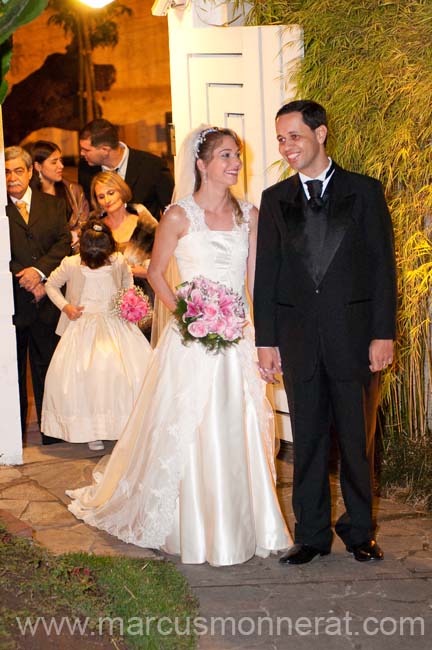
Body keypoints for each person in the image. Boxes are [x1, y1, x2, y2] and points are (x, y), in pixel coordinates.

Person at [66, 125, 291, 566]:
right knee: (191, 424)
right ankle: (192, 522)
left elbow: (254, 283)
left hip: (236, 338)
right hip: (192, 339)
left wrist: (264, 338)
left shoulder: (251, 214)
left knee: (239, 422)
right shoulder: (177, 215)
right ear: (202, 164)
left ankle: (249, 522)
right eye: (225, 156)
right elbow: (155, 272)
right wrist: (187, 314)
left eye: (237, 156)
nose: (235, 164)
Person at [253, 100, 397, 565]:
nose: (286, 146)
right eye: (280, 138)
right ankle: (310, 535)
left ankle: (359, 532)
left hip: (355, 339)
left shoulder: (366, 191)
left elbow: (381, 269)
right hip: (298, 342)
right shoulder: (275, 200)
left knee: (358, 441)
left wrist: (383, 333)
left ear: (321, 134)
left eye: (294, 136)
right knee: (308, 442)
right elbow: (267, 277)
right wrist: (266, 340)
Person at [41, 220, 152, 451]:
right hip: (83, 324)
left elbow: (127, 282)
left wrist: (129, 301)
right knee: (87, 376)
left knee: (120, 374)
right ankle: (92, 429)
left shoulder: (118, 260)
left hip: (115, 322)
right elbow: (51, 285)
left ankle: (123, 425)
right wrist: (66, 306)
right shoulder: (70, 263)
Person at [5, 145, 71, 444]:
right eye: (6, 172)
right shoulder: (2, 209)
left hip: (47, 300)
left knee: (48, 367)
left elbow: (62, 243)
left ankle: (51, 434)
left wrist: (40, 273)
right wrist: (25, 275)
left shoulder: (53, 205)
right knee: (13, 373)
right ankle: (12, 437)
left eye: (18, 170)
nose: (12, 177)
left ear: (31, 172)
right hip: (13, 302)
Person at [90, 170, 158, 339]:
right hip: (105, 303)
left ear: (121, 191)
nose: (107, 200)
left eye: (111, 193)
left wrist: (142, 271)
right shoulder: (95, 229)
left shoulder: (145, 223)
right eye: (101, 196)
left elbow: (166, 262)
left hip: (145, 302)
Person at [78, 118, 174, 220]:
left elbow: (171, 211)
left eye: (86, 150)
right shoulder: (85, 168)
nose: (82, 153)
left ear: (105, 150)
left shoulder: (153, 166)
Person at [29, 140, 89, 251]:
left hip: (75, 253)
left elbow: (84, 223)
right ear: (38, 166)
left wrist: (75, 234)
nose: (61, 166)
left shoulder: (73, 190)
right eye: (54, 162)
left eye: (60, 160)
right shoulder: (29, 195)